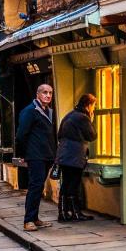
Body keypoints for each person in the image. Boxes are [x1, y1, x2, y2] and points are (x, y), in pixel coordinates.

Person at [15, 85, 56, 232]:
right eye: (45, 93)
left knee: (39, 188)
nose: (48, 95)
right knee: (34, 187)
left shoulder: (47, 111)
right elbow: (21, 135)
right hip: (35, 155)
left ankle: (35, 218)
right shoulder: (30, 111)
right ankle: (28, 220)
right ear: (38, 94)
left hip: (46, 155)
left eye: (50, 93)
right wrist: (24, 154)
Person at [57, 94, 97, 222]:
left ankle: (63, 213)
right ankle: (76, 213)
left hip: (64, 154)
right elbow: (92, 136)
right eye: (93, 106)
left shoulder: (69, 115)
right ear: (88, 105)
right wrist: (91, 119)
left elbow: (59, 135)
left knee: (66, 184)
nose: (93, 109)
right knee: (74, 184)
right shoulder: (83, 118)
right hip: (75, 155)